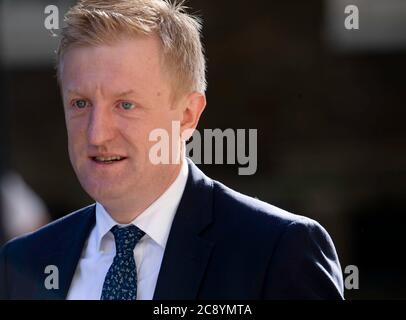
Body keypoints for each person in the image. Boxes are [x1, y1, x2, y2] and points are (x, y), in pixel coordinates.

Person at [0, 0, 344, 300]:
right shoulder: (22, 263)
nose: (97, 134)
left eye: (125, 104)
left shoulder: (277, 252)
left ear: (188, 114)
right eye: (80, 103)